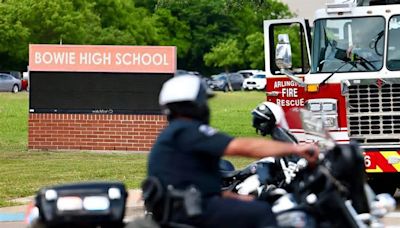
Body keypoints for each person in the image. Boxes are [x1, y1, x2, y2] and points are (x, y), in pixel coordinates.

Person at [146, 75, 319, 228]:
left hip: (186, 207)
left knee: (256, 205)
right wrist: (297, 148)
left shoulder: (175, 134)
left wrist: (238, 198)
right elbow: (241, 146)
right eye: (203, 101)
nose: (205, 106)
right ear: (192, 105)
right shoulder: (187, 130)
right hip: (191, 211)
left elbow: (199, 185)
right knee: (263, 213)